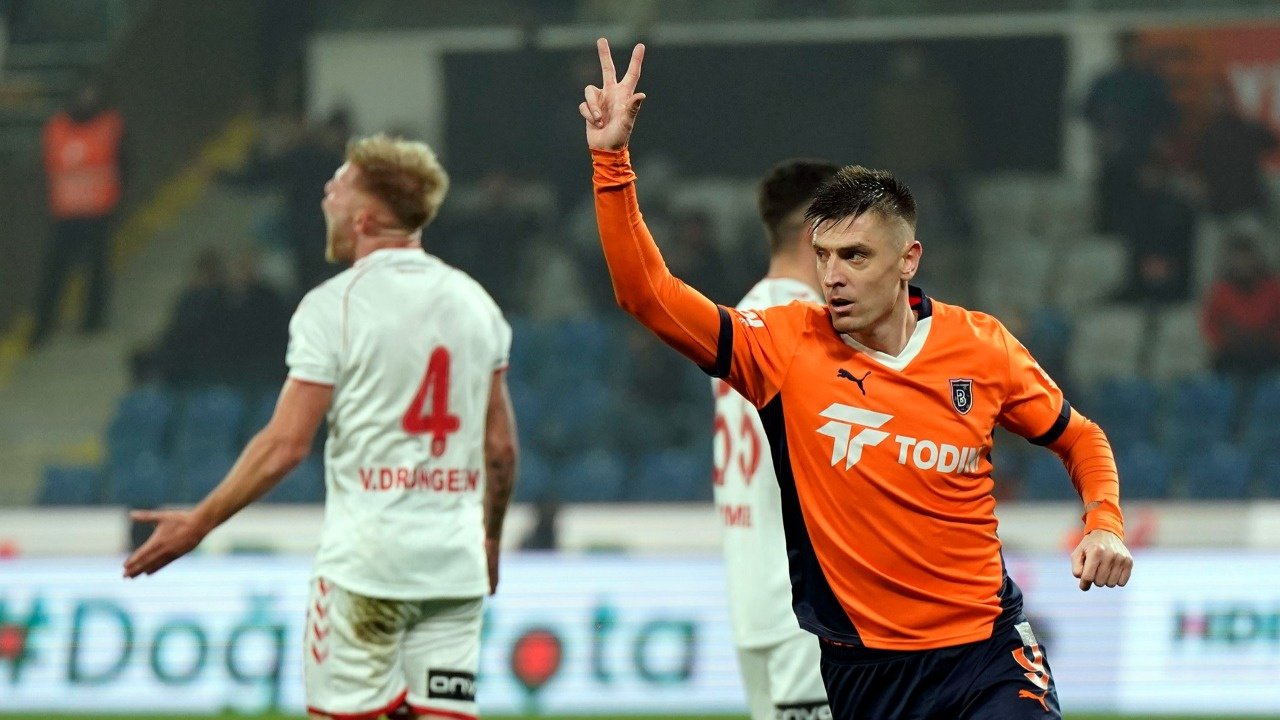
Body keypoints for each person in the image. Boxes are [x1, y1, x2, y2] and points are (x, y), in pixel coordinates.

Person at [579, 39, 1132, 719]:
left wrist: (1103, 523)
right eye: (824, 256)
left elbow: (1080, 438)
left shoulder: (981, 345)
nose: (833, 275)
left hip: (986, 652)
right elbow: (647, 295)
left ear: (908, 259)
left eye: (856, 256)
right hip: (865, 674)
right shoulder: (782, 346)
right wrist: (611, 162)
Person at [123, 135, 519, 720]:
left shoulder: (334, 305)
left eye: (339, 185)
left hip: (367, 570)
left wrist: (200, 521)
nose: (325, 195)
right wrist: (489, 539)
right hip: (452, 571)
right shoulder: (476, 304)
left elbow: (285, 446)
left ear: (366, 217)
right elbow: (500, 447)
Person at [712, 158, 838, 720]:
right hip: (812, 600)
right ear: (817, 232)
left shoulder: (737, 320)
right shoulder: (812, 328)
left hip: (752, 593)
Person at [31, 81, 125, 347]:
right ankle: (44, 320)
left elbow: (123, 164)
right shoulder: (56, 127)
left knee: (96, 269)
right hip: (67, 212)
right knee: (55, 269)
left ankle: (92, 318)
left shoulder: (110, 125)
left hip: (97, 211)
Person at [1083, 32, 1177, 234]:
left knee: (1145, 219)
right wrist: (1101, 135)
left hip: (1145, 162)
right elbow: (1086, 111)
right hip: (1113, 161)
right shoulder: (1106, 82)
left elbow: (1169, 118)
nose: (1132, 53)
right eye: (1127, 48)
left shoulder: (1152, 83)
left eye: (1136, 48)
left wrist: (1157, 155)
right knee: (1111, 218)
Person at [1201, 234, 1280, 382]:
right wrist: (1227, 341)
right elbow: (1210, 324)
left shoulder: (1273, 289)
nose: (1243, 264)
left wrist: (1267, 338)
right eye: (1238, 259)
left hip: (1268, 353)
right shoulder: (1220, 291)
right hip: (1230, 356)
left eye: (1247, 258)